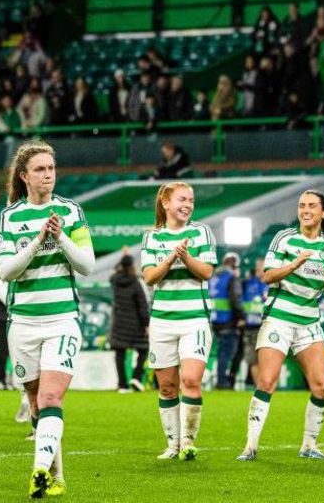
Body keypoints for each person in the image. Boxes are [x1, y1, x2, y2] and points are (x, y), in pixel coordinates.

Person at [0, 140, 95, 497]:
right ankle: (56, 475)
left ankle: (38, 468)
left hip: (62, 319)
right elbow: (6, 271)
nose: (48, 175)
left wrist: (61, 238)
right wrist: (37, 241)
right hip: (22, 322)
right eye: (39, 169)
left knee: (52, 397)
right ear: (24, 176)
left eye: (51, 168)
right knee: (37, 402)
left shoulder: (71, 212)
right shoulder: (9, 217)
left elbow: (86, 265)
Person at [238, 189, 324, 462]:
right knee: (267, 380)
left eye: (311, 206)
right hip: (279, 318)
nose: (305, 210)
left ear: (323, 212)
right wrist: (294, 264)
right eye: (301, 206)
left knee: (321, 387)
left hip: (309, 321)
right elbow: (267, 276)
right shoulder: (284, 238)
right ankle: (250, 446)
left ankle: (309, 445)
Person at [141, 182, 217, 460]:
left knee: (191, 379)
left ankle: (188, 442)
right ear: (166, 203)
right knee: (167, 387)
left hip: (194, 318)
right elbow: (149, 277)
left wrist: (186, 258)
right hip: (162, 321)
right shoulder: (152, 238)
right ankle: (172, 444)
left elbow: (207, 272)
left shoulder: (201, 232)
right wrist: (173, 256)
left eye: (191, 200)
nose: (188, 204)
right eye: (183, 199)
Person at [109, 254, 149, 393]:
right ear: (132, 266)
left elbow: (114, 271)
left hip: (119, 322)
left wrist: (123, 256)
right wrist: (146, 324)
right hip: (135, 323)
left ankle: (122, 385)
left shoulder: (115, 281)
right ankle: (136, 377)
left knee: (120, 354)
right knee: (144, 349)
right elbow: (143, 305)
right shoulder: (136, 282)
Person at [210, 253, 244, 390]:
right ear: (234, 266)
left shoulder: (214, 277)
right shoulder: (231, 278)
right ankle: (222, 382)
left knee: (221, 352)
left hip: (215, 319)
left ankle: (221, 380)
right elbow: (235, 298)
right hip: (228, 320)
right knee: (226, 353)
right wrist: (241, 316)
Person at [235, 260, 268, 388]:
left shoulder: (274, 284)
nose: (260, 269)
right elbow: (238, 299)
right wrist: (241, 317)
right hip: (250, 327)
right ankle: (259, 387)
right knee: (253, 360)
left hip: (267, 326)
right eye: (258, 267)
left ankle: (267, 387)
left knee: (267, 360)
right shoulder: (247, 283)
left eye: (262, 267)